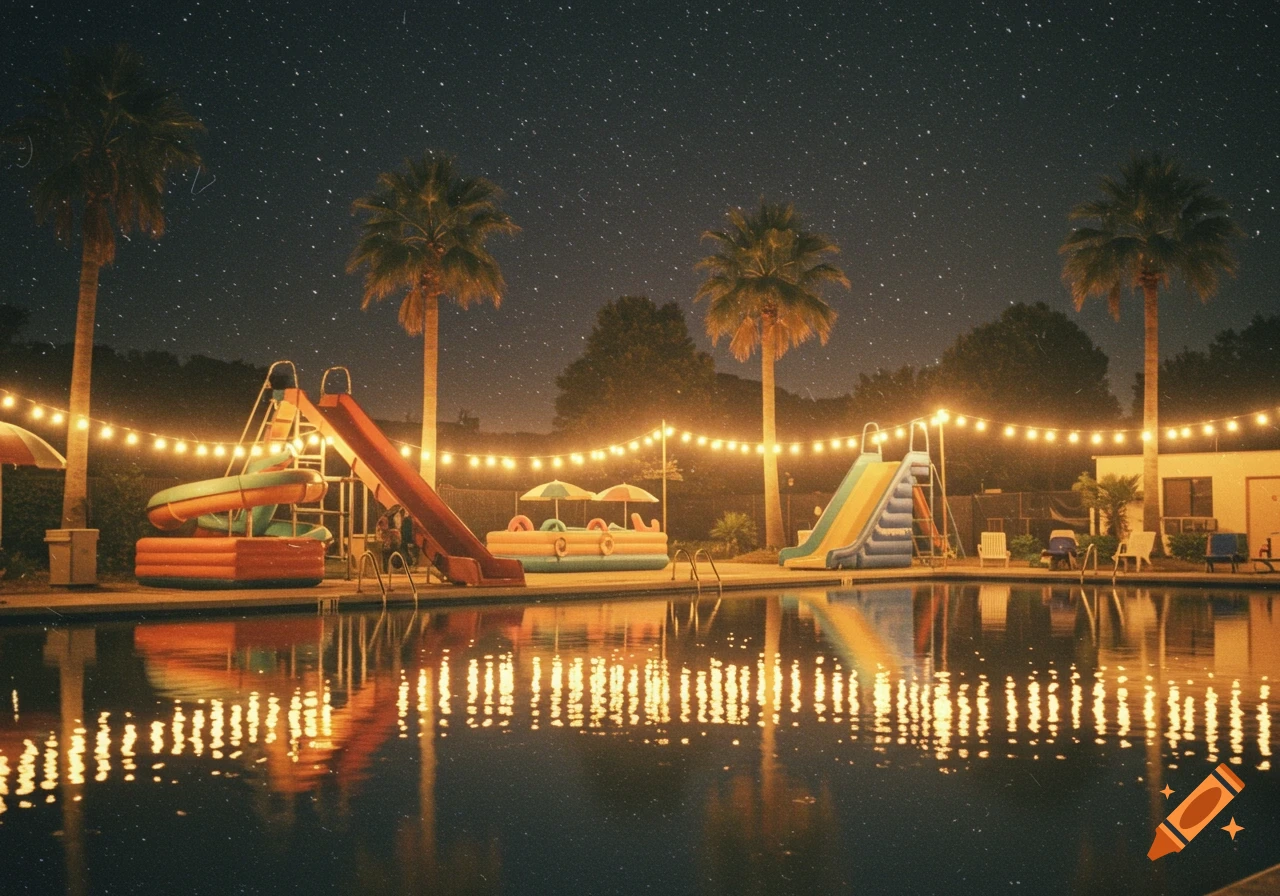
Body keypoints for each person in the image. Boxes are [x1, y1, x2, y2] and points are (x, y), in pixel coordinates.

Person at [376, 505, 403, 573]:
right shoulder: (385, 519)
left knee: (388, 555)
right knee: (389, 554)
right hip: (388, 541)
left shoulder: (384, 518)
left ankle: (388, 570)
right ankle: (388, 570)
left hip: (389, 541)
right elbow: (383, 529)